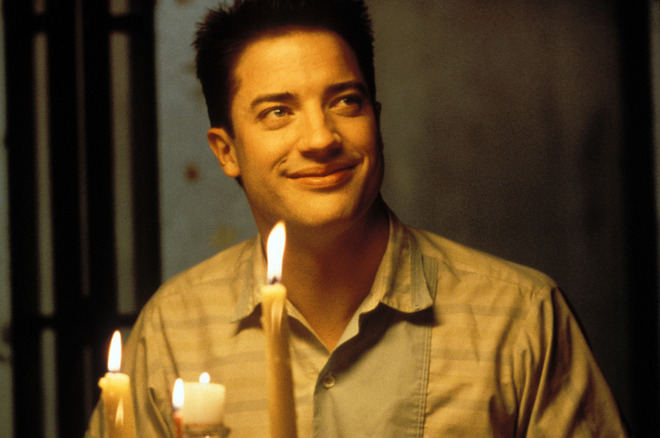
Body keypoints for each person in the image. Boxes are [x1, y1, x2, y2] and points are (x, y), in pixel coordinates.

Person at [87, 0, 627, 436]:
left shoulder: (517, 319)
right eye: (278, 112)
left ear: (376, 119)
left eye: (345, 102)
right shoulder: (173, 331)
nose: (322, 139)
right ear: (226, 151)